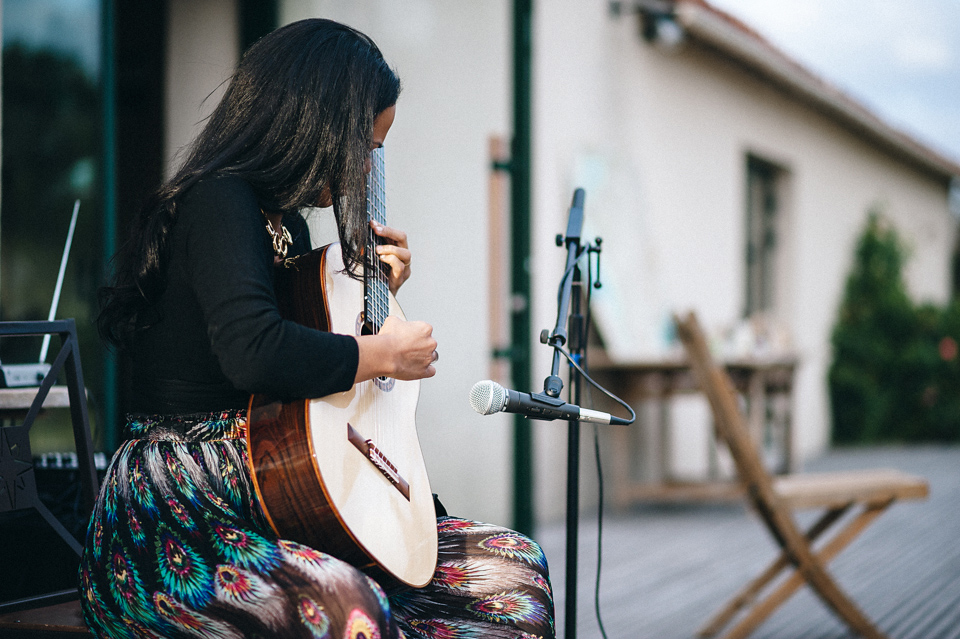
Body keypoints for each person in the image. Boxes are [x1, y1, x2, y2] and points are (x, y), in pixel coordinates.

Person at [81, 18, 555, 639]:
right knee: (346, 607)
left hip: (282, 487)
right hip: (180, 511)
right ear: (317, 122)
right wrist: (381, 351)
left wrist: (377, 298)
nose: (368, 167)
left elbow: (319, 380)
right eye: (367, 142)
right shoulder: (217, 202)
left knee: (515, 569)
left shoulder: (289, 227)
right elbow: (256, 354)